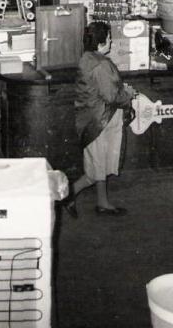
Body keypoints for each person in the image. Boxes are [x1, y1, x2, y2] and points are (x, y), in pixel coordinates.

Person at [62, 22, 137, 218]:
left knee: (97, 165)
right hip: (100, 121)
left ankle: (86, 199)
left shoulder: (86, 59)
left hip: (89, 119)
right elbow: (112, 96)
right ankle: (68, 195)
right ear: (101, 42)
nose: (111, 41)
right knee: (98, 166)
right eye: (109, 38)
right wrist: (128, 93)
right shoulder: (102, 64)